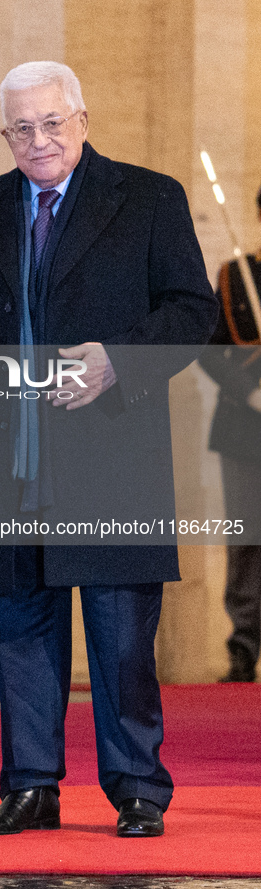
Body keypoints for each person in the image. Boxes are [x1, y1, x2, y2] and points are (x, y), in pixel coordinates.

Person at [0, 62, 217, 838]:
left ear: (82, 119)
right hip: (11, 456)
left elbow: (193, 310)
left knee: (121, 633)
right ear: (5, 135)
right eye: (21, 128)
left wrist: (117, 358)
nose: (38, 140)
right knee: (18, 630)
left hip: (112, 457)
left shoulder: (149, 197)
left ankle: (136, 788)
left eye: (52, 122)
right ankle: (30, 784)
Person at [199, 186, 261, 683]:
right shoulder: (233, 277)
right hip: (244, 426)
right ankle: (243, 644)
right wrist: (250, 392)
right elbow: (209, 349)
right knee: (247, 536)